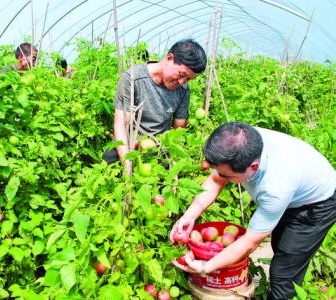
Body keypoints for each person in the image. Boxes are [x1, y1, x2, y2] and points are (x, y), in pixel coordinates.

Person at [170, 122, 336, 300]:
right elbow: (216, 180)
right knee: (279, 245)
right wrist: (190, 215)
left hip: (316, 205)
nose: (222, 177)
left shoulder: (276, 188)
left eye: (228, 176)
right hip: (297, 187)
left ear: (253, 167)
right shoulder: (241, 140)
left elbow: (250, 242)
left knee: (284, 272)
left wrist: (205, 268)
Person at [102, 39, 207, 169]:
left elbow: (178, 130)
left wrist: (174, 164)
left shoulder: (183, 90)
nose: (181, 82)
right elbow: (121, 125)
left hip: (159, 148)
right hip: (131, 142)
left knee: (165, 180)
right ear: (169, 58)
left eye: (188, 79)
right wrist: (127, 166)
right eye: (181, 74)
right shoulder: (133, 78)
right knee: (107, 164)